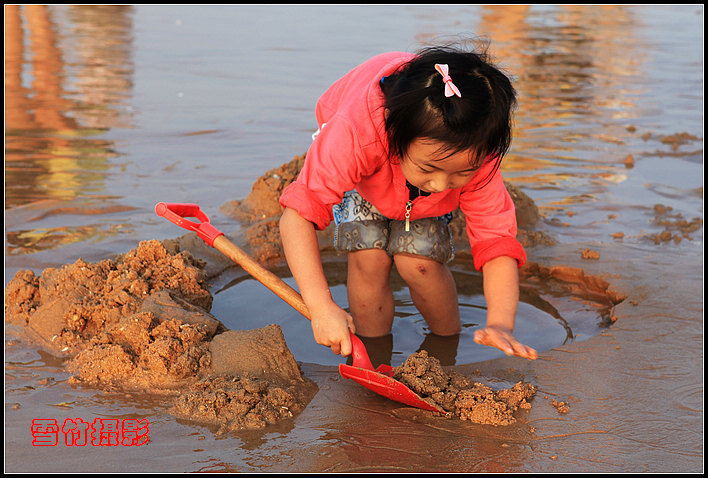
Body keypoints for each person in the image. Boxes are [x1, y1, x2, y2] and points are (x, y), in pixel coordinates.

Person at [279, 45, 537, 361]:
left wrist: (500, 323)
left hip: (416, 191)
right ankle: (370, 356)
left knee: (419, 263)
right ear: (396, 139)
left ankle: (446, 350)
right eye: (429, 169)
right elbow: (297, 215)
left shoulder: (480, 159)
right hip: (366, 178)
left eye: (461, 173)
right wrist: (321, 307)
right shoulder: (355, 134)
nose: (441, 185)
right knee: (368, 259)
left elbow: (496, 241)